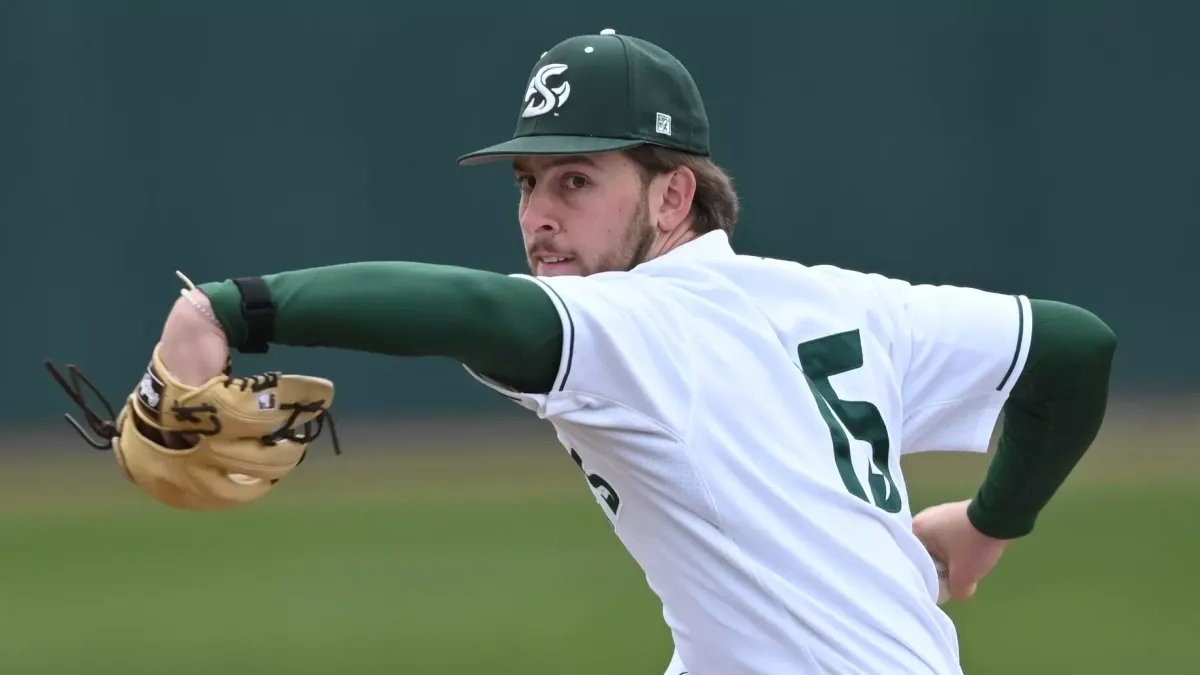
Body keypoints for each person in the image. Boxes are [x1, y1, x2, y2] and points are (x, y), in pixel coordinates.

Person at [154, 29, 1116, 675]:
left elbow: (477, 314)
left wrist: (232, 311)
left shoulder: (643, 322)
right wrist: (990, 524)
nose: (538, 215)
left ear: (673, 197)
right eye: (529, 181)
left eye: (577, 180)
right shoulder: (843, 301)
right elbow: (1073, 349)